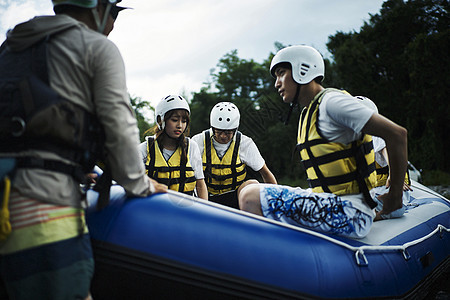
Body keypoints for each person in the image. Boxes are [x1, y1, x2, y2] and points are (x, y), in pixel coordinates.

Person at [0, 1, 166, 299]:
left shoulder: (11, 47)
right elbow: (119, 125)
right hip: (41, 208)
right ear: (98, 7)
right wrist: (138, 183)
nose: (113, 23)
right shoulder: (97, 47)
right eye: (113, 12)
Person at [239, 45, 408, 238]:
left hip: (350, 213)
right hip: (329, 201)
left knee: (250, 197)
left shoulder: (332, 102)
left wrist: (395, 196)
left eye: (281, 73)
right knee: (246, 187)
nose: (277, 83)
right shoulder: (309, 112)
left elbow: (397, 135)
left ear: (302, 70)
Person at [192, 102, 277, 209]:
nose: (223, 136)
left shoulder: (245, 143)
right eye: (218, 131)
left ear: (235, 129)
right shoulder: (198, 141)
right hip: (205, 196)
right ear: (212, 128)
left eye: (228, 132)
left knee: (253, 184)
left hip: (235, 197)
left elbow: (265, 172)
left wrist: (276, 202)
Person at [139, 95, 208, 199]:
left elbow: (200, 183)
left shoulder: (192, 146)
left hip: (184, 209)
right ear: (160, 120)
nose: (180, 125)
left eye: (184, 121)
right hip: (154, 209)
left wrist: (204, 212)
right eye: (175, 120)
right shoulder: (144, 149)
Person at [357, 96, 412, 219]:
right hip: (373, 190)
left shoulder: (373, 133)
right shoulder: (350, 138)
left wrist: (394, 175)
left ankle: (371, 217)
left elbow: (385, 149)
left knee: (393, 208)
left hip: (389, 190)